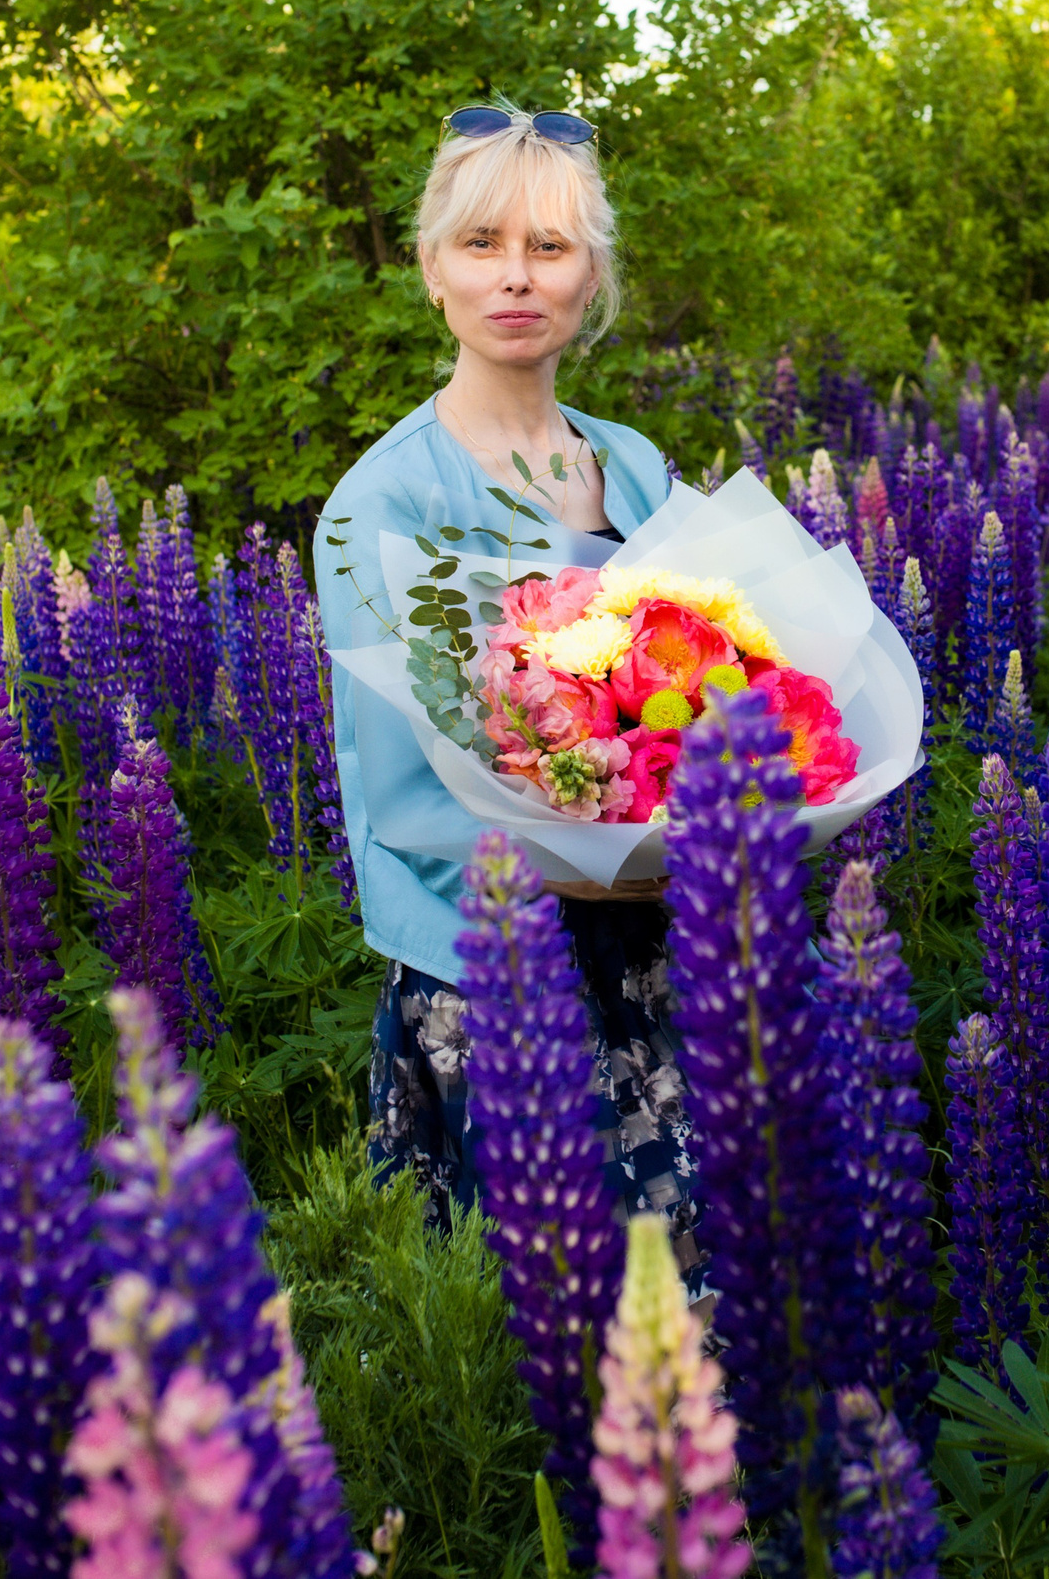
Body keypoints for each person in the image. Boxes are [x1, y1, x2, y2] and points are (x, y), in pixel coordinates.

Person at [316, 106, 702, 1283]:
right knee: (547, 1348)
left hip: (666, 958)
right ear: (431, 269)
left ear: (595, 275)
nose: (516, 277)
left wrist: (735, 803)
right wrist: (624, 853)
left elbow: (708, 691)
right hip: (500, 980)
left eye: (551, 245)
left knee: (706, 1347)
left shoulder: (634, 464)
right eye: (481, 243)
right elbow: (406, 800)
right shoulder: (384, 505)